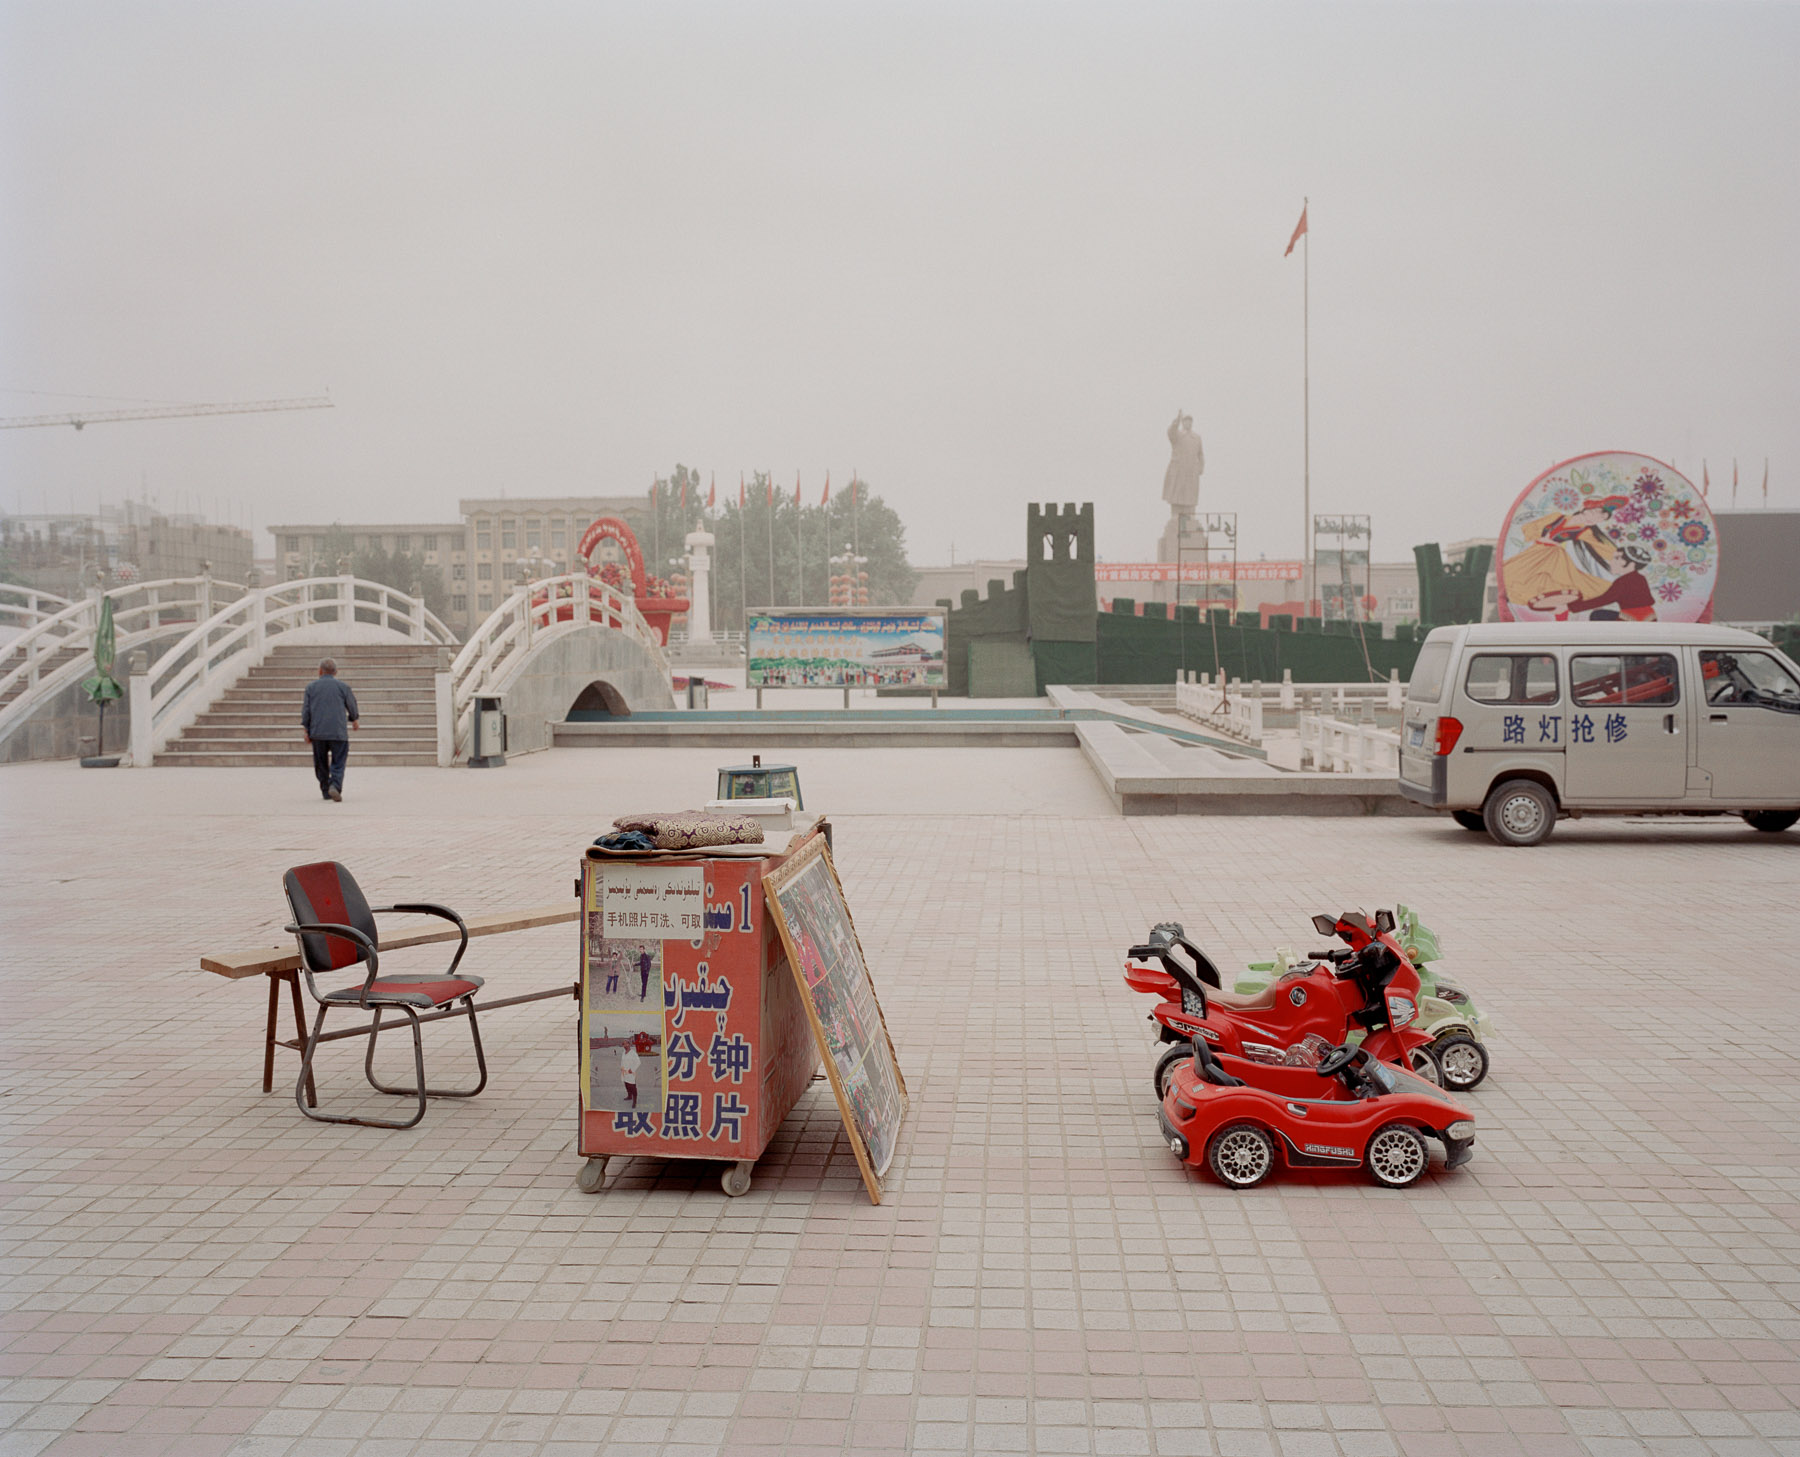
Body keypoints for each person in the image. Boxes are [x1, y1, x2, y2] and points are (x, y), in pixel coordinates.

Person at [301, 658, 359, 802]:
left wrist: (306, 730)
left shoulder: (311, 687)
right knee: (339, 761)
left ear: (320, 671)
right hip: (338, 731)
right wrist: (354, 719)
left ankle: (326, 790)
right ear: (335, 672)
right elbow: (351, 705)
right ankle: (335, 785)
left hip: (318, 732)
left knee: (320, 763)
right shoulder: (343, 687)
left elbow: (306, 711)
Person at [619, 1039, 640, 1108]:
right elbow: (622, 1061)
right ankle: (629, 1096)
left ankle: (635, 1101)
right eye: (623, 1044)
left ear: (629, 1044)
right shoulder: (623, 1052)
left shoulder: (633, 1053)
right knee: (626, 1085)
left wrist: (632, 1069)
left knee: (632, 1087)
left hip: (630, 1073)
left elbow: (638, 1062)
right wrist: (621, 1068)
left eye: (625, 1044)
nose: (624, 1045)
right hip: (624, 1072)